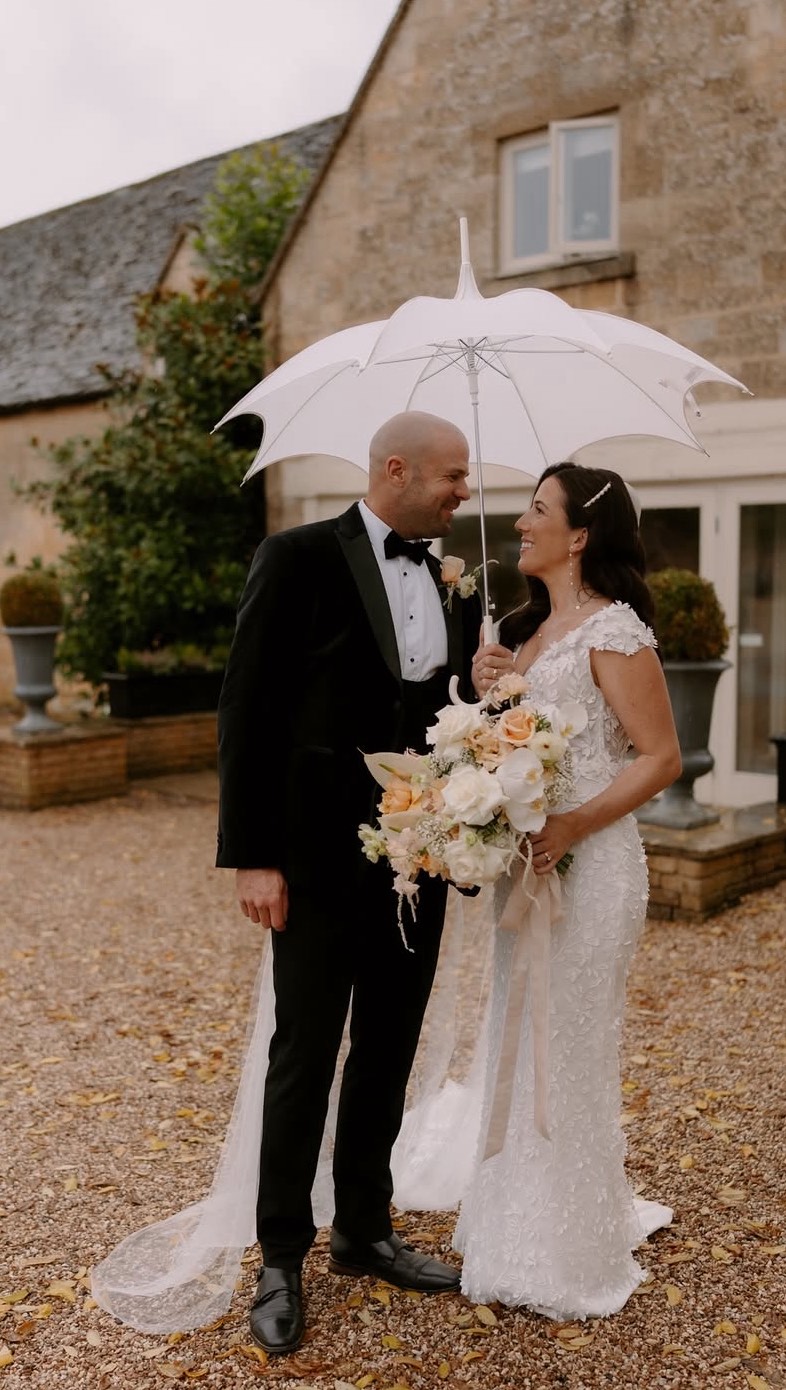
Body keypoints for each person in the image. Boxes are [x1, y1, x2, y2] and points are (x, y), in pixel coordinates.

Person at [215, 410, 482, 1354]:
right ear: (396, 470)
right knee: (305, 1056)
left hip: (424, 862)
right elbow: (248, 707)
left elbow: (450, 717)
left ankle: (364, 1231)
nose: (463, 493)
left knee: (389, 1050)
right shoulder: (296, 559)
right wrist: (254, 854)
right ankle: (280, 1253)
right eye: (451, 477)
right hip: (318, 858)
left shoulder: (460, 582)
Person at [441, 460, 681, 1318]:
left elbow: (660, 758)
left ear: (580, 535)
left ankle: (571, 1242)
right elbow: (519, 747)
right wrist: (489, 693)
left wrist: (573, 826)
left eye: (538, 510)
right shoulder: (526, 632)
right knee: (519, 1030)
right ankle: (515, 1223)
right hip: (529, 867)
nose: (520, 522)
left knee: (571, 1043)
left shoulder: (614, 633)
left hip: (594, 863)